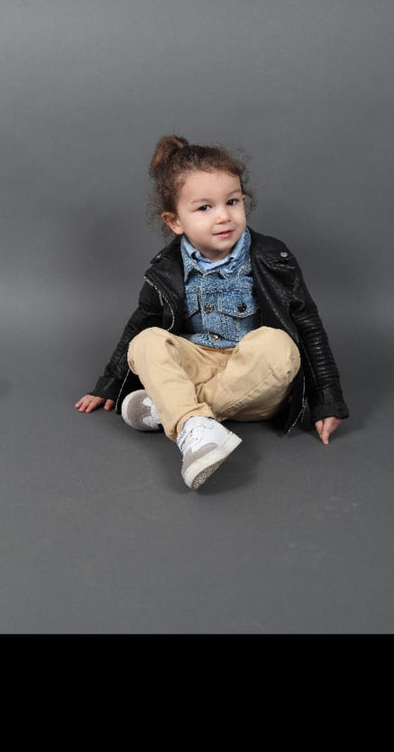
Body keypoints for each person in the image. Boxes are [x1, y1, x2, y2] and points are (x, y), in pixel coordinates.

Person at [76, 134, 349, 490]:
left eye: (232, 202)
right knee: (146, 341)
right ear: (175, 221)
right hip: (196, 364)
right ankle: (194, 424)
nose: (223, 216)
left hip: (255, 382)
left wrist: (326, 400)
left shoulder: (273, 258)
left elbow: (308, 325)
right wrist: (110, 384)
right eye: (204, 208)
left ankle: (174, 411)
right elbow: (139, 324)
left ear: (243, 201)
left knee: (280, 346)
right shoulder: (166, 269)